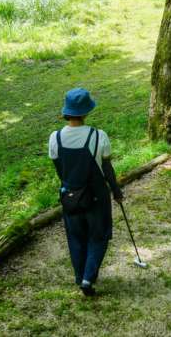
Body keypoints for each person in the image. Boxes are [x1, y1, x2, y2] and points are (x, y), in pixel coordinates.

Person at [48, 88, 123, 296]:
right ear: (86, 112)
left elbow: (60, 171)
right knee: (98, 236)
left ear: (67, 111)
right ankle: (88, 279)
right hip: (97, 198)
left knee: (76, 238)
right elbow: (107, 169)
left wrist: (70, 188)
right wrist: (116, 192)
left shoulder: (55, 138)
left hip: (70, 197)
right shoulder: (98, 137)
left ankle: (80, 275)